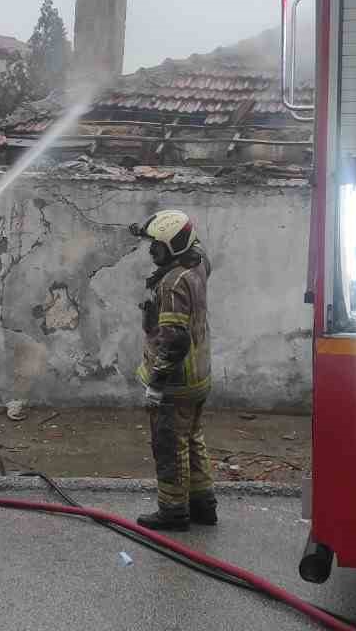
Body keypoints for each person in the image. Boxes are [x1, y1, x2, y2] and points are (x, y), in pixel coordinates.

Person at [128, 210, 217, 532]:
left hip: (176, 382)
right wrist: (147, 229)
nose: (152, 252)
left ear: (175, 246)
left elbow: (175, 339)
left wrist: (156, 383)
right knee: (192, 439)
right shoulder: (198, 264)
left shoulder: (172, 282)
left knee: (169, 445)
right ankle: (203, 504)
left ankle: (173, 511)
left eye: (158, 247)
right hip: (199, 374)